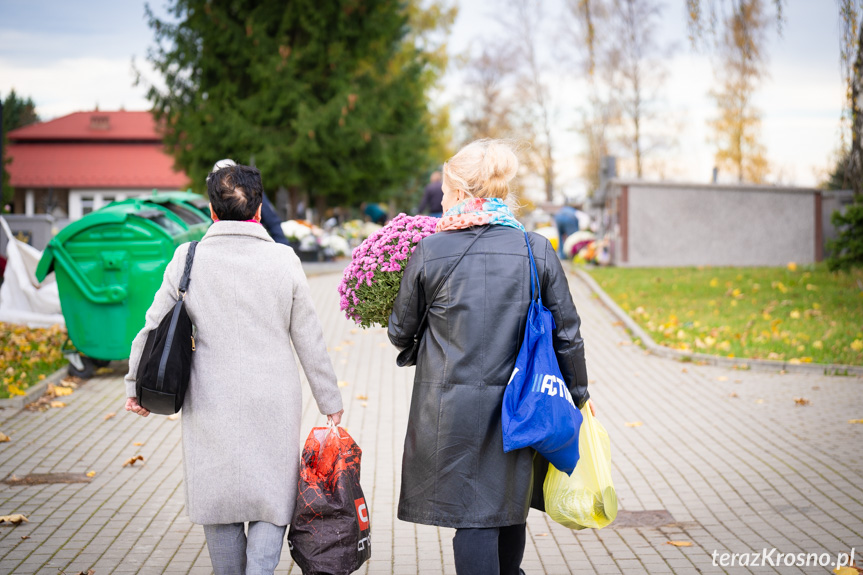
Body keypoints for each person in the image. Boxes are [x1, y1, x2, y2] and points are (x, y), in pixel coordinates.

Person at [124, 162, 344, 575]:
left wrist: (134, 384)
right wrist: (329, 400)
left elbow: (153, 326)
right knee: (272, 496)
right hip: (275, 400)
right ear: (259, 210)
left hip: (209, 399)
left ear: (211, 210)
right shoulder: (284, 259)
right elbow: (309, 338)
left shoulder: (187, 258)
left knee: (220, 499)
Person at [387, 139, 592, 575]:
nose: (440, 200)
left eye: (444, 191)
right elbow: (568, 333)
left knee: (472, 518)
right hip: (521, 405)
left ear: (461, 192)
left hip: (450, 409)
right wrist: (579, 394)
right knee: (506, 504)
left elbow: (400, 331)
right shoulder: (535, 249)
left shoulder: (431, 251)